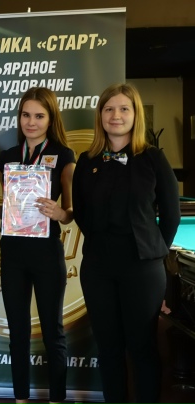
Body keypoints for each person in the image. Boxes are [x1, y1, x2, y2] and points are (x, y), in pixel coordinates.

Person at [72, 83, 180, 404]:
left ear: (135, 115)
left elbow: (171, 215)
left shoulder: (153, 158)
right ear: (100, 115)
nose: (115, 115)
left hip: (142, 268)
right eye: (108, 109)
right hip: (98, 267)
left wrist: (153, 252)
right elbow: (82, 213)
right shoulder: (87, 160)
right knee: (108, 348)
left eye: (123, 109)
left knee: (142, 347)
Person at [0, 87, 75, 404]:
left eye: (39, 116)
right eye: (26, 115)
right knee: (17, 333)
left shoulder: (63, 155)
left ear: (51, 119)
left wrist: (60, 213)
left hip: (46, 253)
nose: (31, 122)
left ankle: (57, 399)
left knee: (52, 332)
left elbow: (70, 211)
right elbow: (12, 211)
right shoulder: (7, 157)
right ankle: (20, 399)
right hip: (14, 254)